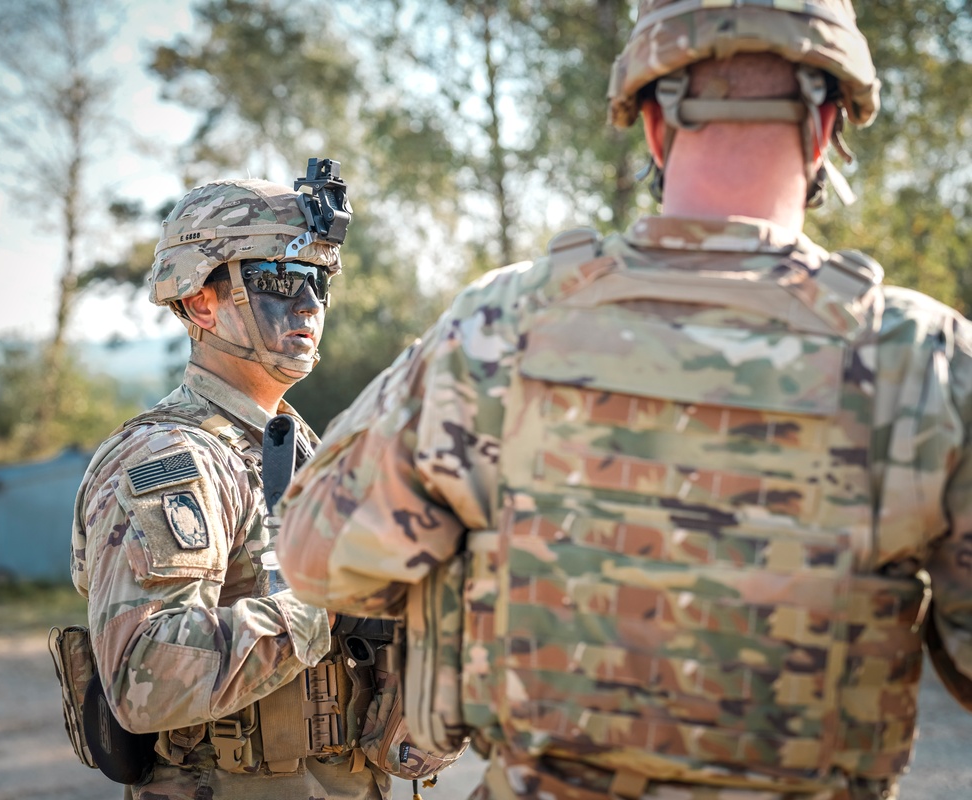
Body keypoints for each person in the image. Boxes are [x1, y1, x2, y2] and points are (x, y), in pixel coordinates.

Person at [276, 2, 972, 799]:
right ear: (826, 126)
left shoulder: (501, 325)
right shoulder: (926, 362)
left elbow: (317, 560)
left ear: (650, 121)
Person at [70, 177, 391, 800]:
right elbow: (148, 678)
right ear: (200, 302)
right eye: (276, 276)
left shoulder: (304, 449)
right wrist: (327, 604)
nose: (306, 303)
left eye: (317, 280)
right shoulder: (170, 459)